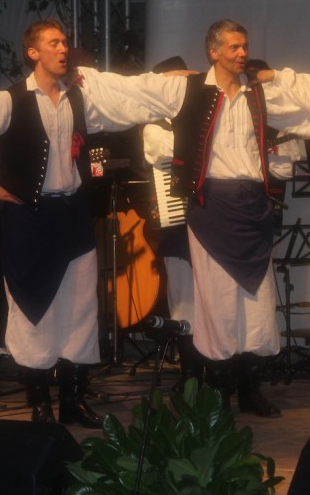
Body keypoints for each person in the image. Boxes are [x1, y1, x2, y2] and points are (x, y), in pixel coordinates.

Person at [0, 19, 186, 427]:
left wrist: (173, 87)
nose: (63, 49)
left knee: (80, 309)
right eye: (54, 43)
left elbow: (130, 103)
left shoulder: (79, 98)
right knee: (32, 309)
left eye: (65, 42)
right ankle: (40, 403)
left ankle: (73, 400)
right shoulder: (9, 101)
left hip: (72, 214)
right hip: (29, 219)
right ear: (33, 53)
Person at [169, 19, 310, 418]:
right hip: (212, 208)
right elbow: (137, 96)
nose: (242, 53)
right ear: (213, 52)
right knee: (218, 304)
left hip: (252, 208)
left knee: (257, 304)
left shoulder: (259, 97)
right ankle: (218, 396)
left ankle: (250, 390)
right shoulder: (190, 92)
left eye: (244, 46)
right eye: (234, 47)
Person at [142, 56, 202, 391]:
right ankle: (189, 375)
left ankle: (219, 374)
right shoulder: (154, 126)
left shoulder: (202, 118)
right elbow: (170, 151)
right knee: (184, 301)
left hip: (210, 223)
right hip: (178, 224)